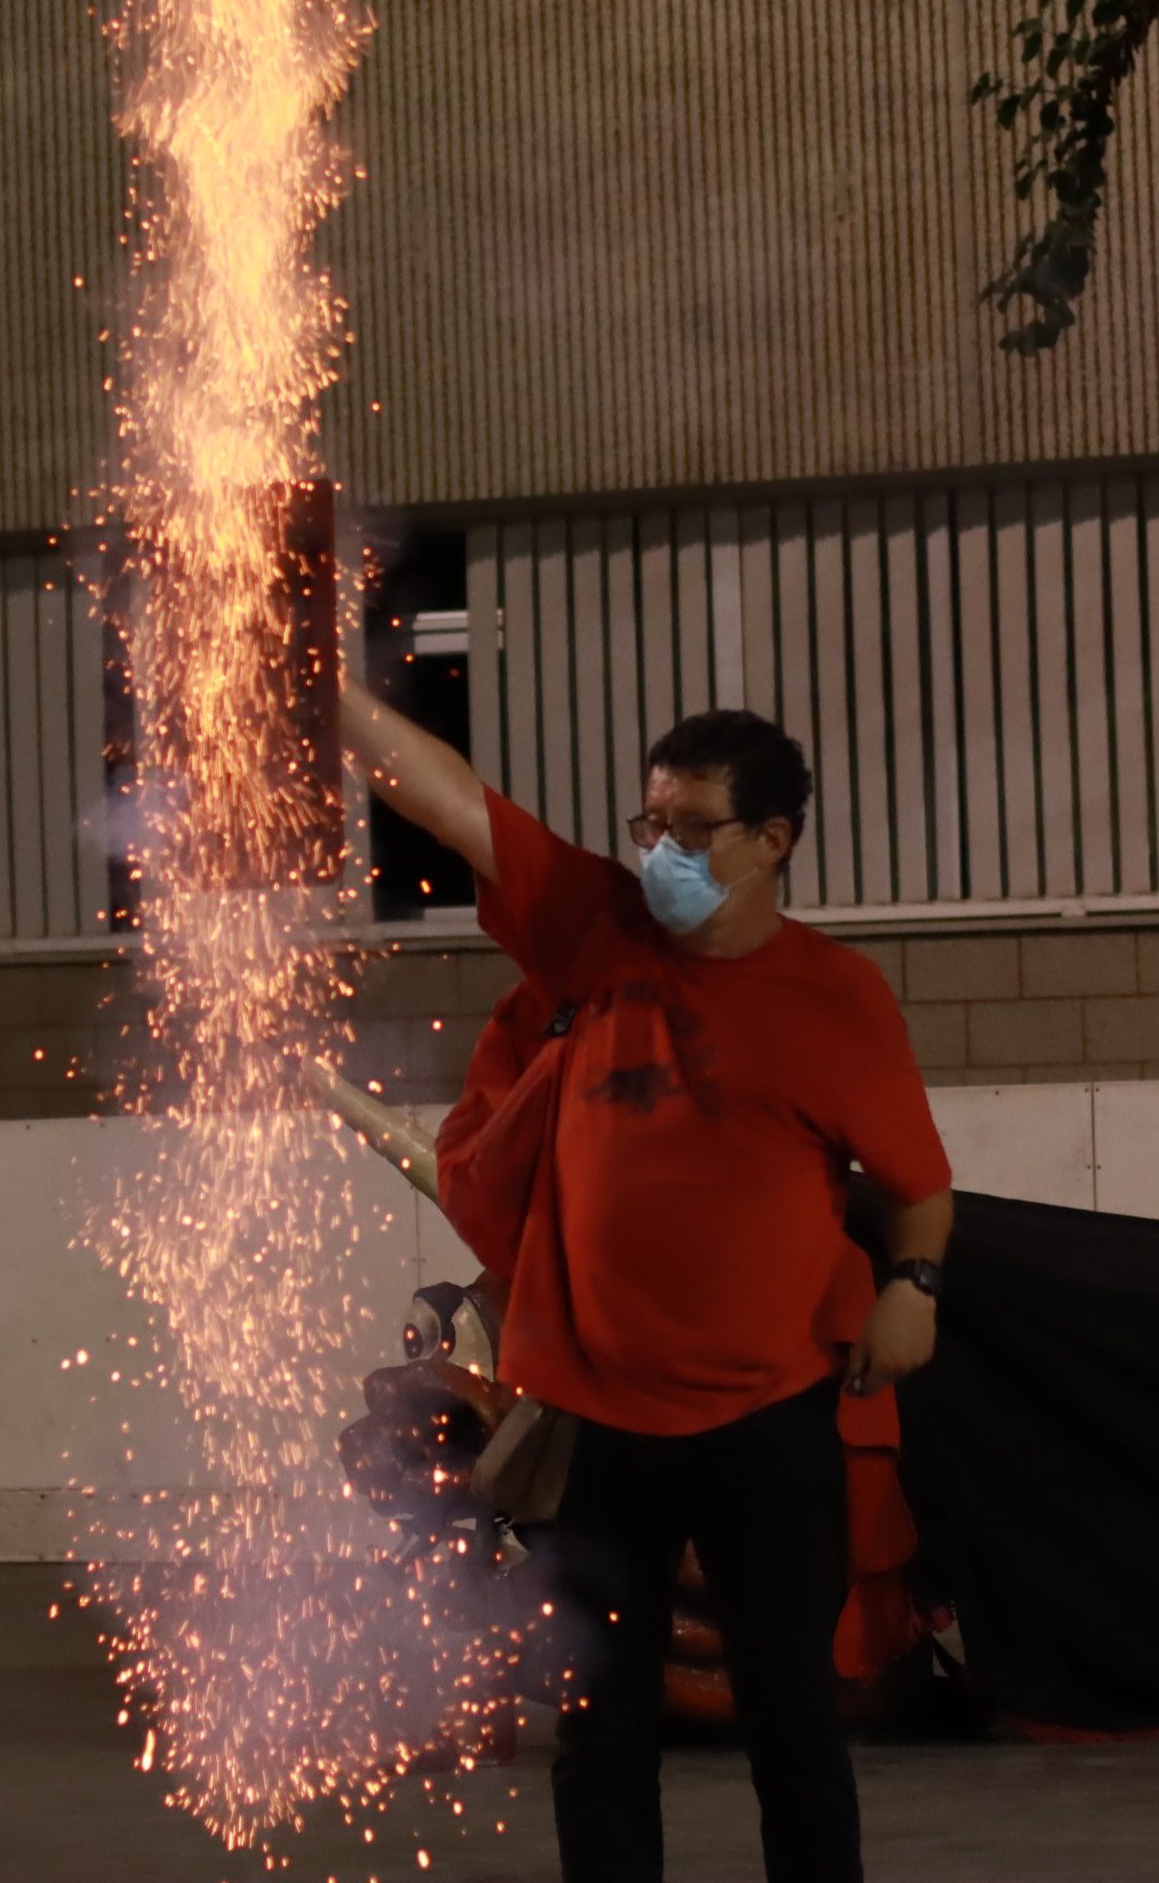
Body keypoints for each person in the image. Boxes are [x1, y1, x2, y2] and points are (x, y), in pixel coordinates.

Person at [345, 686, 951, 1883]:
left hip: (767, 1425)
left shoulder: (837, 1002)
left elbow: (919, 1185)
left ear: (772, 840)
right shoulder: (596, 931)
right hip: (601, 1432)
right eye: (648, 823)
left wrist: (915, 1284)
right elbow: (454, 802)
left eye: (691, 829)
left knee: (793, 1731)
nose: (659, 851)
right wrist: (321, 685)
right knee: (601, 1735)